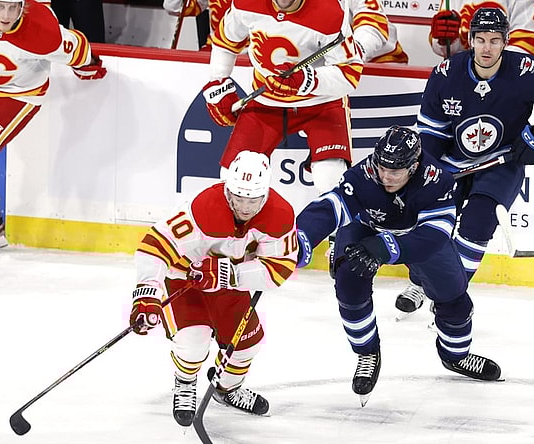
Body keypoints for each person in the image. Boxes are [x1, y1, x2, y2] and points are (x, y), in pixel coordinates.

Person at [295, 125, 502, 407]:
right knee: (348, 282)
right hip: (366, 228)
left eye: (395, 171)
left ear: (414, 166)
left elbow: (434, 236)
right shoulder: (364, 174)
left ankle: (456, 356)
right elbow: (330, 206)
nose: (386, 176)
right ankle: (367, 354)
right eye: (382, 167)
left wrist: (386, 248)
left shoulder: (437, 180)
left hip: (418, 237)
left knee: (454, 298)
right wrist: (301, 238)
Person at [394, 7, 534, 317]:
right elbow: (430, 130)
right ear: (469, 40)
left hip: (501, 163)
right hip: (453, 162)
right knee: (435, 222)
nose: (487, 48)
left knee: (477, 223)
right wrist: (432, 169)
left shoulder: (527, 70)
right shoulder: (447, 73)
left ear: (506, 41)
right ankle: (420, 282)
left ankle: (450, 299)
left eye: (495, 41)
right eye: (480, 40)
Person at [129, 151, 298, 427]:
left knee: (247, 344)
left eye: (253, 199)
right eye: (238, 198)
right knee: (193, 344)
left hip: (229, 283)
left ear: (265, 193)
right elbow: (155, 245)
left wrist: (228, 274)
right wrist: (146, 294)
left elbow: (278, 270)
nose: (244, 207)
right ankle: (185, 382)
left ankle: (226, 390)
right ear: (228, 189)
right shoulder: (204, 207)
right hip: (184, 279)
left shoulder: (279, 214)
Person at [0, 0, 106, 250]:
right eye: (0, 7)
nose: (6, 15)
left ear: (22, 7)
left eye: (13, 7)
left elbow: (79, 49)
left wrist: (90, 68)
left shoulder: (42, 29)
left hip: (18, 95)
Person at [202, 0, 362, 196]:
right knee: (231, 178)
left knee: (330, 178)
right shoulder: (245, 3)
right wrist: (218, 81)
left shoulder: (330, 12)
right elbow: (225, 43)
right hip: (265, 100)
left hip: (321, 103)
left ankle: (332, 226)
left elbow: (349, 75)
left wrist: (308, 80)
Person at [429, 0, 534, 58]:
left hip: (507, 83)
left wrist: (483, 67)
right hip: (461, 76)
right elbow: (445, 49)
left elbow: (526, 44)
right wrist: (444, 41)